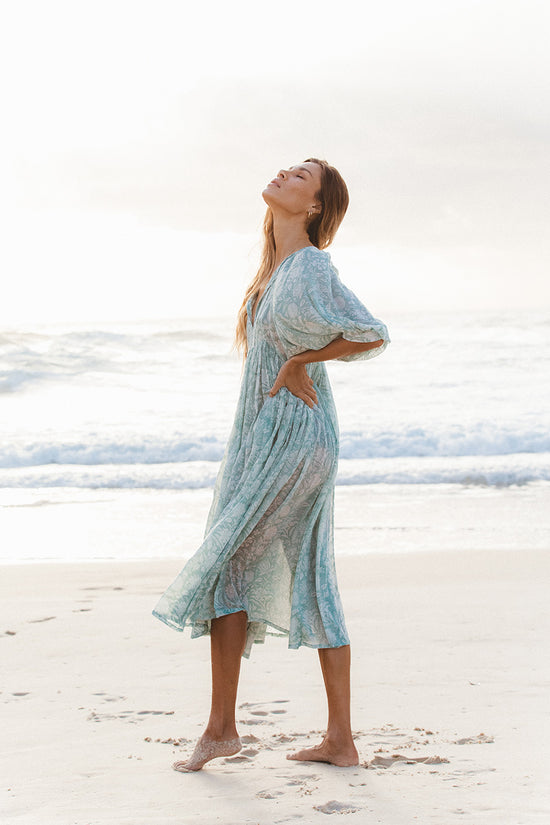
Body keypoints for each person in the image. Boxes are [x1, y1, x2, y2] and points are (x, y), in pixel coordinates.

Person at [152, 158, 390, 772]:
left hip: (296, 435)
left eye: (301, 176)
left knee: (229, 563)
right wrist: (292, 361)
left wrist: (299, 362)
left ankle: (222, 730)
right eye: (287, 168)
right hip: (267, 436)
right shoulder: (274, 272)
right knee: (303, 575)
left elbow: (370, 333)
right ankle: (335, 740)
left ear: (314, 207)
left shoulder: (310, 265)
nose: (285, 174)